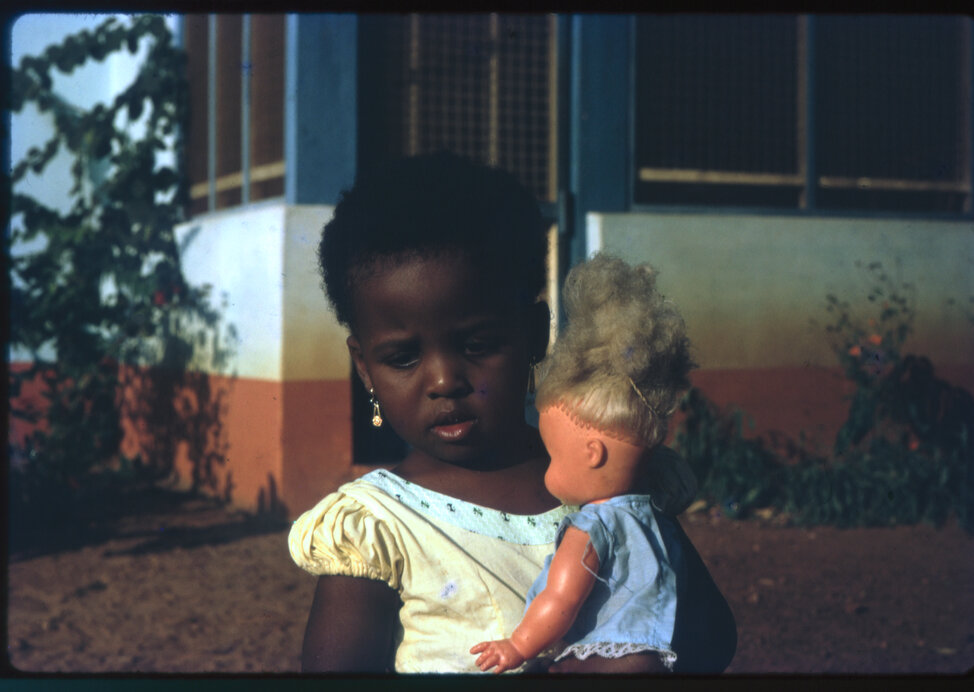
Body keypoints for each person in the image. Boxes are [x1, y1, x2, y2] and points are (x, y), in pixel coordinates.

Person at [288, 153, 735, 673]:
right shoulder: (378, 526)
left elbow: (710, 638)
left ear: (535, 332)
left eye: (478, 344)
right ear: (365, 368)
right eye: (403, 358)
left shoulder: (602, 477)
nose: (443, 381)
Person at [472, 253, 701, 673]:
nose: (548, 469)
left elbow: (560, 601)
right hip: (653, 658)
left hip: (601, 660)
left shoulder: (591, 527)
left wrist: (518, 646)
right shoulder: (657, 520)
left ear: (593, 453)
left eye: (555, 456)